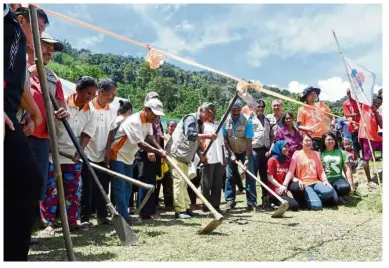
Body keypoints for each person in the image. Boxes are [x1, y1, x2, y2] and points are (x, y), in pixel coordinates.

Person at [4, 3, 43, 261]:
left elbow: (21, 85)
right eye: (37, 29)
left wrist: (35, 112)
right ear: (23, 19)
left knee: (24, 183)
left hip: (9, 117)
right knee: (26, 182)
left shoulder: (13, 29)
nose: (39, 37)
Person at [40, 76, 98, 234]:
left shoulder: (91, 112)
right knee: (51, 189)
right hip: (54, 153)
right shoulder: (61, 102)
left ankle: (72, 221)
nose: (91, 97)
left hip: (73, 156)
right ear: (78, 90)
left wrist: (80, 151)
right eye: (88, 93)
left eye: (94, 95)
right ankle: (48, 223)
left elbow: (86, 135)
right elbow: (48, 121)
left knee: (72, 191)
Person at [26, 33, 68, 204]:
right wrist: (28, 73)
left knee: (38, 184)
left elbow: (61, 106)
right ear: (32, 43)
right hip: (19, 132)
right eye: (46, 46)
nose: (50, 52)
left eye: (52, 50)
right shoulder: (14, 65)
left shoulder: (52, 78)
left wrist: (62, 113)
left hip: (43, 137)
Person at [110, 98, 167, 223]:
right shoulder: (134, 121)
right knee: (120, 186)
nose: (156, 117)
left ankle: (121, 213)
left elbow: (150, 137)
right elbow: (141, 144)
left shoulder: (149, 121)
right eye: (154, 114)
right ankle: (124, 216)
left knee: (128, 187)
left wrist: (160, 149)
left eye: (158, 115)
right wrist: (159, 152)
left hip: (129, 157)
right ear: (146, 109)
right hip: (117, 154)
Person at [165, 103, 217, 219]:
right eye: (208, 115)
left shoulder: (201, 124)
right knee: (179, 181)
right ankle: (179, 210)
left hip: (185, 157)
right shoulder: (190, 118)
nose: (208, 118)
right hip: (175, 154)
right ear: (203, 110)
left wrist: (201, 154)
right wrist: (208, 136)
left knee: (184, 183)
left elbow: (197, 143)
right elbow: (191, 135)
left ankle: (186, 207)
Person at [81, 78, 117, 226]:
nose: (113, 97)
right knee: (87, 187)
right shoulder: (88, 106)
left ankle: (102, 216)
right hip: (87, 153)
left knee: (102, 187)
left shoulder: (112, 110)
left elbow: (109, 132)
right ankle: (85, 218)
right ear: (102, 92)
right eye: (112, 94)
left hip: (101, 154)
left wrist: (107, 152)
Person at [282, 134, 335, 210]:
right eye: (306, 141)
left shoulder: (316, 154)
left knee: (329, 191)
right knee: (317, 206)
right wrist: (285, 184)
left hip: (316, 182)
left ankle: (315, 196)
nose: (309, 142)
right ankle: (312, 199)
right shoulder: (297, 154)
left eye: (310, 140)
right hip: (305, 184)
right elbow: (290, 171)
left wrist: (325, 180)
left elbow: (320, 170)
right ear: (301, 143)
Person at [223, 99, 256, 211]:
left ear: (240, 110)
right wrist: (232, 154)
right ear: (230, 109)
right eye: (233, 111)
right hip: (231, 150)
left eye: (238, 111)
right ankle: (230, 200)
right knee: (230, 176)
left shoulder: (247, 121)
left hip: (245, 150)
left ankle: (251, 202)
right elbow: (225, 140)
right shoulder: (224, 119)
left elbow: (248, 141)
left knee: (250, 175)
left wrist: (247, 158)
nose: (236, 113)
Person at [200, 104, 225, 213]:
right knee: (206, 183)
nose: (213, 114)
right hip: (207, 158)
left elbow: (222, 144)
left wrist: (224, 159)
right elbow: (199, 142)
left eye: (214, 111)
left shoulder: (218, 125)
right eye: (211, 112)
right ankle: (206, 205)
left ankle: (215, 205)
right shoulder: (202, 125)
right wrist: (202, 154)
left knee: (217, 183)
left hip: (218, 158)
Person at [250, 99, 274, 208]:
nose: (260, 108)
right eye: (258, 107)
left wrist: (270, 149)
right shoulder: (250, 119)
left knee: (264, 176)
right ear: (255, 107)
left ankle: (265, 199)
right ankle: (252, 201)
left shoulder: (268, 120)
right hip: (254, 150)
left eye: (262, 107)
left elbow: (271, 136)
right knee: (252, 176)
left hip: (265, 151)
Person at [320, 132, 354, 203]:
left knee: (345, 187)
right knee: (332, 201)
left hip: (338, 179)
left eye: (332, 139)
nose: (331, 141)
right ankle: (336, 196)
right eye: (328, 139)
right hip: (325, 181)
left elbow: (347, 169)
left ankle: (340, 194)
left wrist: (351, 184)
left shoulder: (341, 152)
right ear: (323, 141)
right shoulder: (320, 153)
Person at [297, 86, 334, 151]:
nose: (314, 95)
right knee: (315, 159)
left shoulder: (321, 105)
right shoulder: (301, 109)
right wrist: (308, 128)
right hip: (312, 139)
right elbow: (299, 126)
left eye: (315, 93)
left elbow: (332, 117)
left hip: (325, 137)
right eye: (311, 94)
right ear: (306, 97)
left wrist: (331, 127)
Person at [266, 141, 299, 211]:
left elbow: (291, 175)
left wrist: (299, 181)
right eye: (285, 147)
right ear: (279, 148)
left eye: (288, 147)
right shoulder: (272, 160)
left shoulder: (287, 160)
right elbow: (270, 178)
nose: (287, 149)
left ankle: (278, 202)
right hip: (275, 187)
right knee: (294, 206)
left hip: (285, 187)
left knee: (297, 202)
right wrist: (280, 186)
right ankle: (271, 200)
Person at [358, 97, 382, 189]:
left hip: (376, 137)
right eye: (375, 102)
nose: (377, 104)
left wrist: (376, 112)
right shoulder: (365, 107)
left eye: (379, 103)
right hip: (366, 136)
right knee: (366, 159)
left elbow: (382, 125)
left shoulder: (377, 113)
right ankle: (369, 181)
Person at [155, 120, 176, 211]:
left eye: (174, 126)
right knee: (157, 185)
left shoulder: (177, 138)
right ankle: (155, 204)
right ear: (167, 127)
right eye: (171, 126)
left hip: (172, 165)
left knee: (168, 186)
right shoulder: (163, 137)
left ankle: (169, 205)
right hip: (162, 164)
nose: (172, 128)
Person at [342, 88, 361, 157]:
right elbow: (347, 116)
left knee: (363, 140)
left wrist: (354, 114)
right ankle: (357, 157)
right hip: (352, 125)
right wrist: (354, 123)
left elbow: (363, 112)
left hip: (361, 124)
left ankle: (367, 157)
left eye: (351, 92)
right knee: (355, 142)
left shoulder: (359, 101)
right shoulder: (345, 103)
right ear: (347, 94)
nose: (350, 94)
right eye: (348, 93)